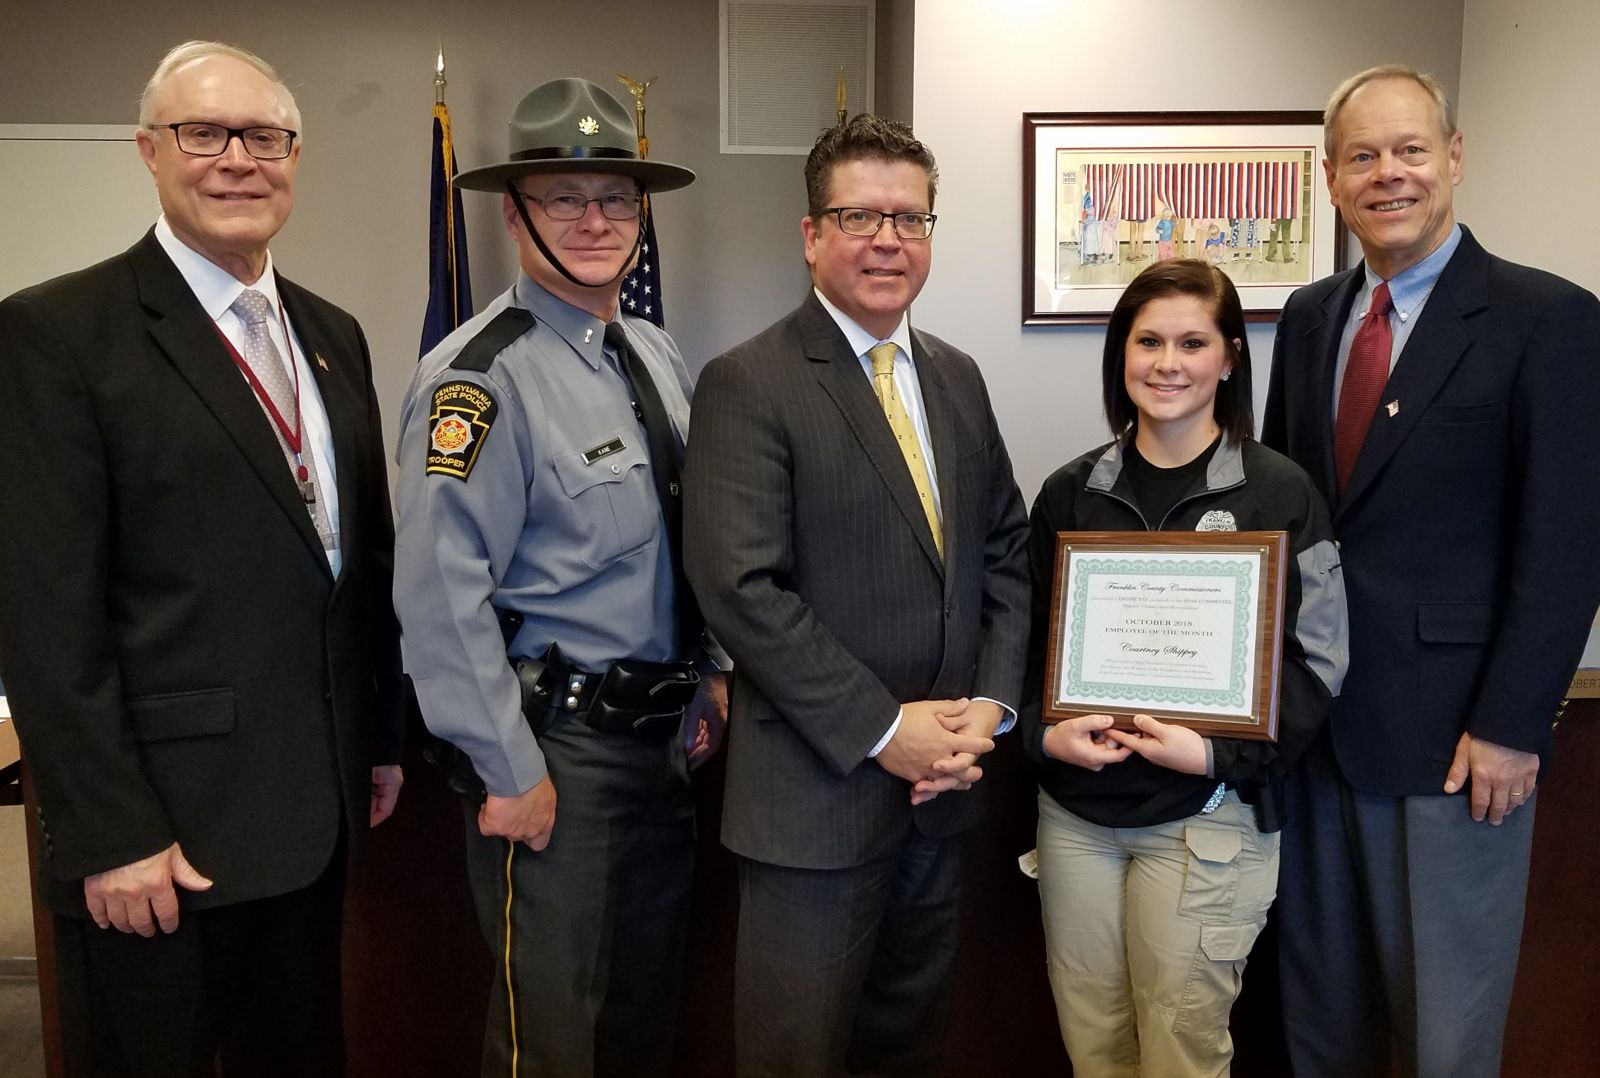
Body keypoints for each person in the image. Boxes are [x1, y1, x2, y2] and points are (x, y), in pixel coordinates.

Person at [0, 40, 403, 1075]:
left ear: (294, 157)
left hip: (313, 819)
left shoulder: (331, 333)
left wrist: (383, 732)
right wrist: (108, 831)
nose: (237, 159)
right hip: (164, 843)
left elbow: (361, 562)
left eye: (264, 137)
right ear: (149, 149)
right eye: (204, 133)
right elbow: (44, 611)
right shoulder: (57, 334)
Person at [1263, 64, 1600, 1078]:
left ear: (1453, 158)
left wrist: (1509, 722)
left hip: (1458, 747)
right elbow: (1292, 517)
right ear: (1329, 180)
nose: (1388, 174)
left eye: (1410, 149)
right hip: (1315, 732)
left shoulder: (1549, 319)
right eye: (1361, 156)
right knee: (1319, 1017)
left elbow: (1568, 539)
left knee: (1446, 1034)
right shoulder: (1310, 317)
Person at [683, 114, 1031, 1078]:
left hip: (945, 795)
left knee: (908, 1049)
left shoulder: (956, 378)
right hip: (815, 808)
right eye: (859, 216)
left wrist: (988, 714)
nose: (887, 239)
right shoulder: (747, 382)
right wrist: (887, 730)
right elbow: (740, 588)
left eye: (910, 220)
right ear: (809, 235)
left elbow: (1004, 548)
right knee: (795, 1057)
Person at [391, 77, 726, 1078]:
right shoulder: (478, 377)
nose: (594, 219)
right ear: (514, 211)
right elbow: (438, 594)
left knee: (638, 1021)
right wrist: (510, 768)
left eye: (615, 197)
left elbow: (684, 534)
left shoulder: (655, 354)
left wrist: (706, 669)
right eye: (563, 196)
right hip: (555, 758)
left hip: (660, 749)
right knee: (552, 1039)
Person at [1022, 259, 1347, 1077]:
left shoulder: (1281, 493)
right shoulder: (1069, 494)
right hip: (1077, 823)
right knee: (1092, 1048)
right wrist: (1044, 736)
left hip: (1207, 818)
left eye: (1193, 342)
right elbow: (1021, 647)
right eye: (1149, 341)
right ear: (1120, 354)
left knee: (1181, 1054)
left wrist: (1214, 754)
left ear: (1230, 357)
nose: (1168, 362)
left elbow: (1322, 662)